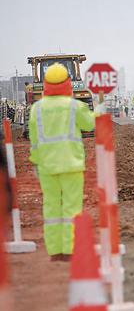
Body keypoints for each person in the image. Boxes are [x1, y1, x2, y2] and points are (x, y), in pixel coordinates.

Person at [28, 63, 97, 262]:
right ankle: (69, 250)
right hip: (71, 165)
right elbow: (90, 124)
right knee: (71, 208)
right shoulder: (75, 106)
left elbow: (34, 140)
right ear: (68, 82)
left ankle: (55, 251)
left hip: (47, 167)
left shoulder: (36, 109)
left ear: (46, 84)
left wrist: (36, 164)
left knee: (51, 208)